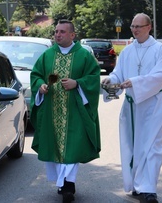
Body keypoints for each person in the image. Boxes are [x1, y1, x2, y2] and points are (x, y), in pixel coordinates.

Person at [30, 19, 101, 203]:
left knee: (72, 148)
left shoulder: (84, 56)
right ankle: (63, 184)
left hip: (75, 112)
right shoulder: (47, 55)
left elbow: (94, 78)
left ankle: (68, 185)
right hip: (52, 111)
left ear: (72, 35)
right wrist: (41, 86)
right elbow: (36, 75)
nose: (58, 35)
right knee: (56, 147)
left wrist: (77, 83)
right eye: (56, 31)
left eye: (62, 32)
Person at [101, 13, 162, 203]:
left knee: (152, 146)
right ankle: (136, 184)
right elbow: (118, 73)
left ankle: (149, 189)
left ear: (149, 27)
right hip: (132, 106)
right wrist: (111, 80)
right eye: (132, 26)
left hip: (154, 105)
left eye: (139, 26)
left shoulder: (159, 49)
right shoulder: (128, 52)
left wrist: (136, 82)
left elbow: (159, 76)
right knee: (132, 146)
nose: (135, 29)